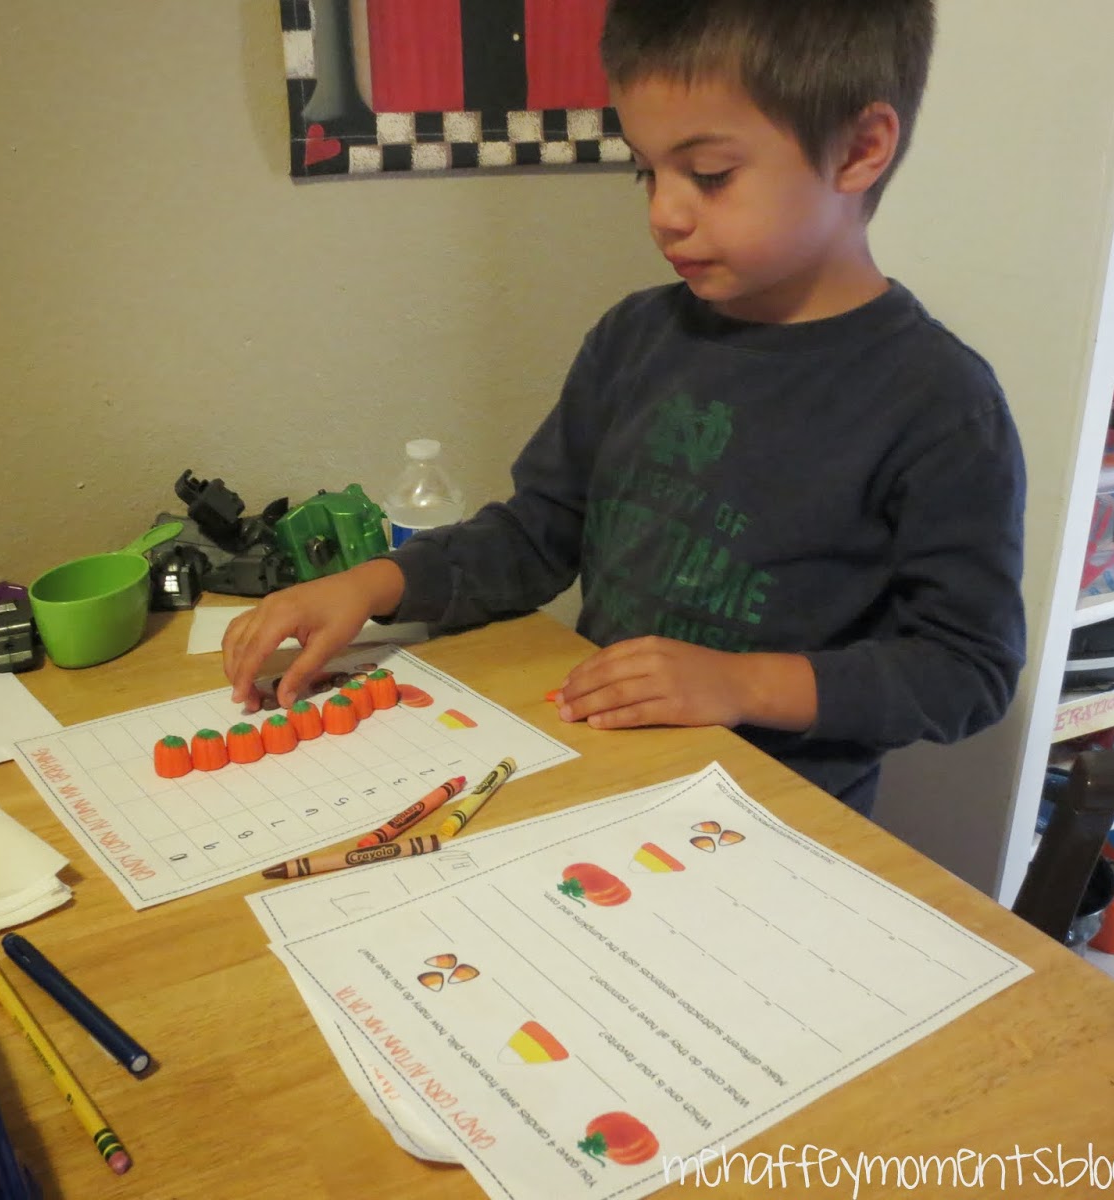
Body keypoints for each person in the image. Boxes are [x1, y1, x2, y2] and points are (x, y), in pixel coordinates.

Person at [224, 0, 1025, 816]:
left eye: (709, 174)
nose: (664, 214)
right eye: (646, 172)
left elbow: (967, 670)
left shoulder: (939, 404)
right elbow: (538, 534)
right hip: (602, 774)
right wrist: (371, 585)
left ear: (858, 149)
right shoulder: (636, 338)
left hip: (771, 819)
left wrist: (742, 684)